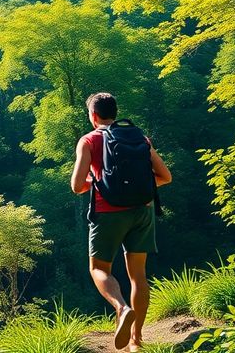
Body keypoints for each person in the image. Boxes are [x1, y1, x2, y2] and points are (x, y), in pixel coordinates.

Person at [70, 93, 171, 352]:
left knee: (99, 269)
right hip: (142, 211)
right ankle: (136, 341)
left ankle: (121, 307)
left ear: (93, 116)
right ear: (115, 112)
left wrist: (99, 184)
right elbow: (165, 177)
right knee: (138, 275)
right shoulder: (139, 139)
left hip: (108, 213)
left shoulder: (89, 140)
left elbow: (76, 185)